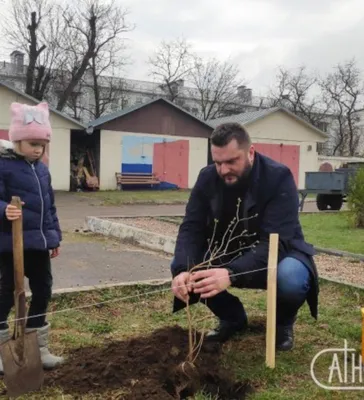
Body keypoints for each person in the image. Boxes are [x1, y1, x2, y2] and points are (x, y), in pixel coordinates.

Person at [170, 122, 319, 351]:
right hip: (230, 251)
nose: (223, 170)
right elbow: (192, 227)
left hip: (279, 253)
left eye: (231, 161)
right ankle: (232, 318)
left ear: (251, 152)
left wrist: (232, 273)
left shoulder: (278, 177)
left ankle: (281, 324)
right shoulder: (208, 178)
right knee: (191, 268)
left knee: (291, 278)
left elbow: (275, 242)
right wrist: (182, 268)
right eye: (218, 162)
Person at [0, 102, 64, 373]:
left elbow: (49, 205)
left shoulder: (42, 170)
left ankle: (38, 346)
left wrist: (54, 237)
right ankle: (3, 351)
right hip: (8, 243)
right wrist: (5, 209)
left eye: (42, 144)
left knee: (43, 289)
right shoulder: (3, 166)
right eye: (33, 143)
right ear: (17, 140)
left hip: (37, 243)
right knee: (5, 293)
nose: (38, 149)